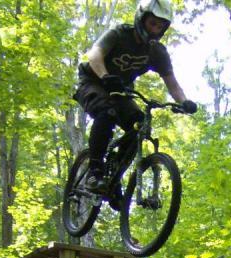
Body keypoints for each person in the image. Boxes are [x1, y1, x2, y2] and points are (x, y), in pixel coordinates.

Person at [74, 0, 198, 194]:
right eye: (152, 23)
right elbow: (94, 55)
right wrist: (105, 76)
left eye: (160, 26)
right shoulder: (119, 34)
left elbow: (172, 83)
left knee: (140, 125)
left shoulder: (156, 52)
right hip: (93, 81)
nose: (155, 29)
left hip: (120, 91)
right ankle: (94, 172)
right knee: (107, 112)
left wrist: (184, 102)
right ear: (141, 19)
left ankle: (114, 178)